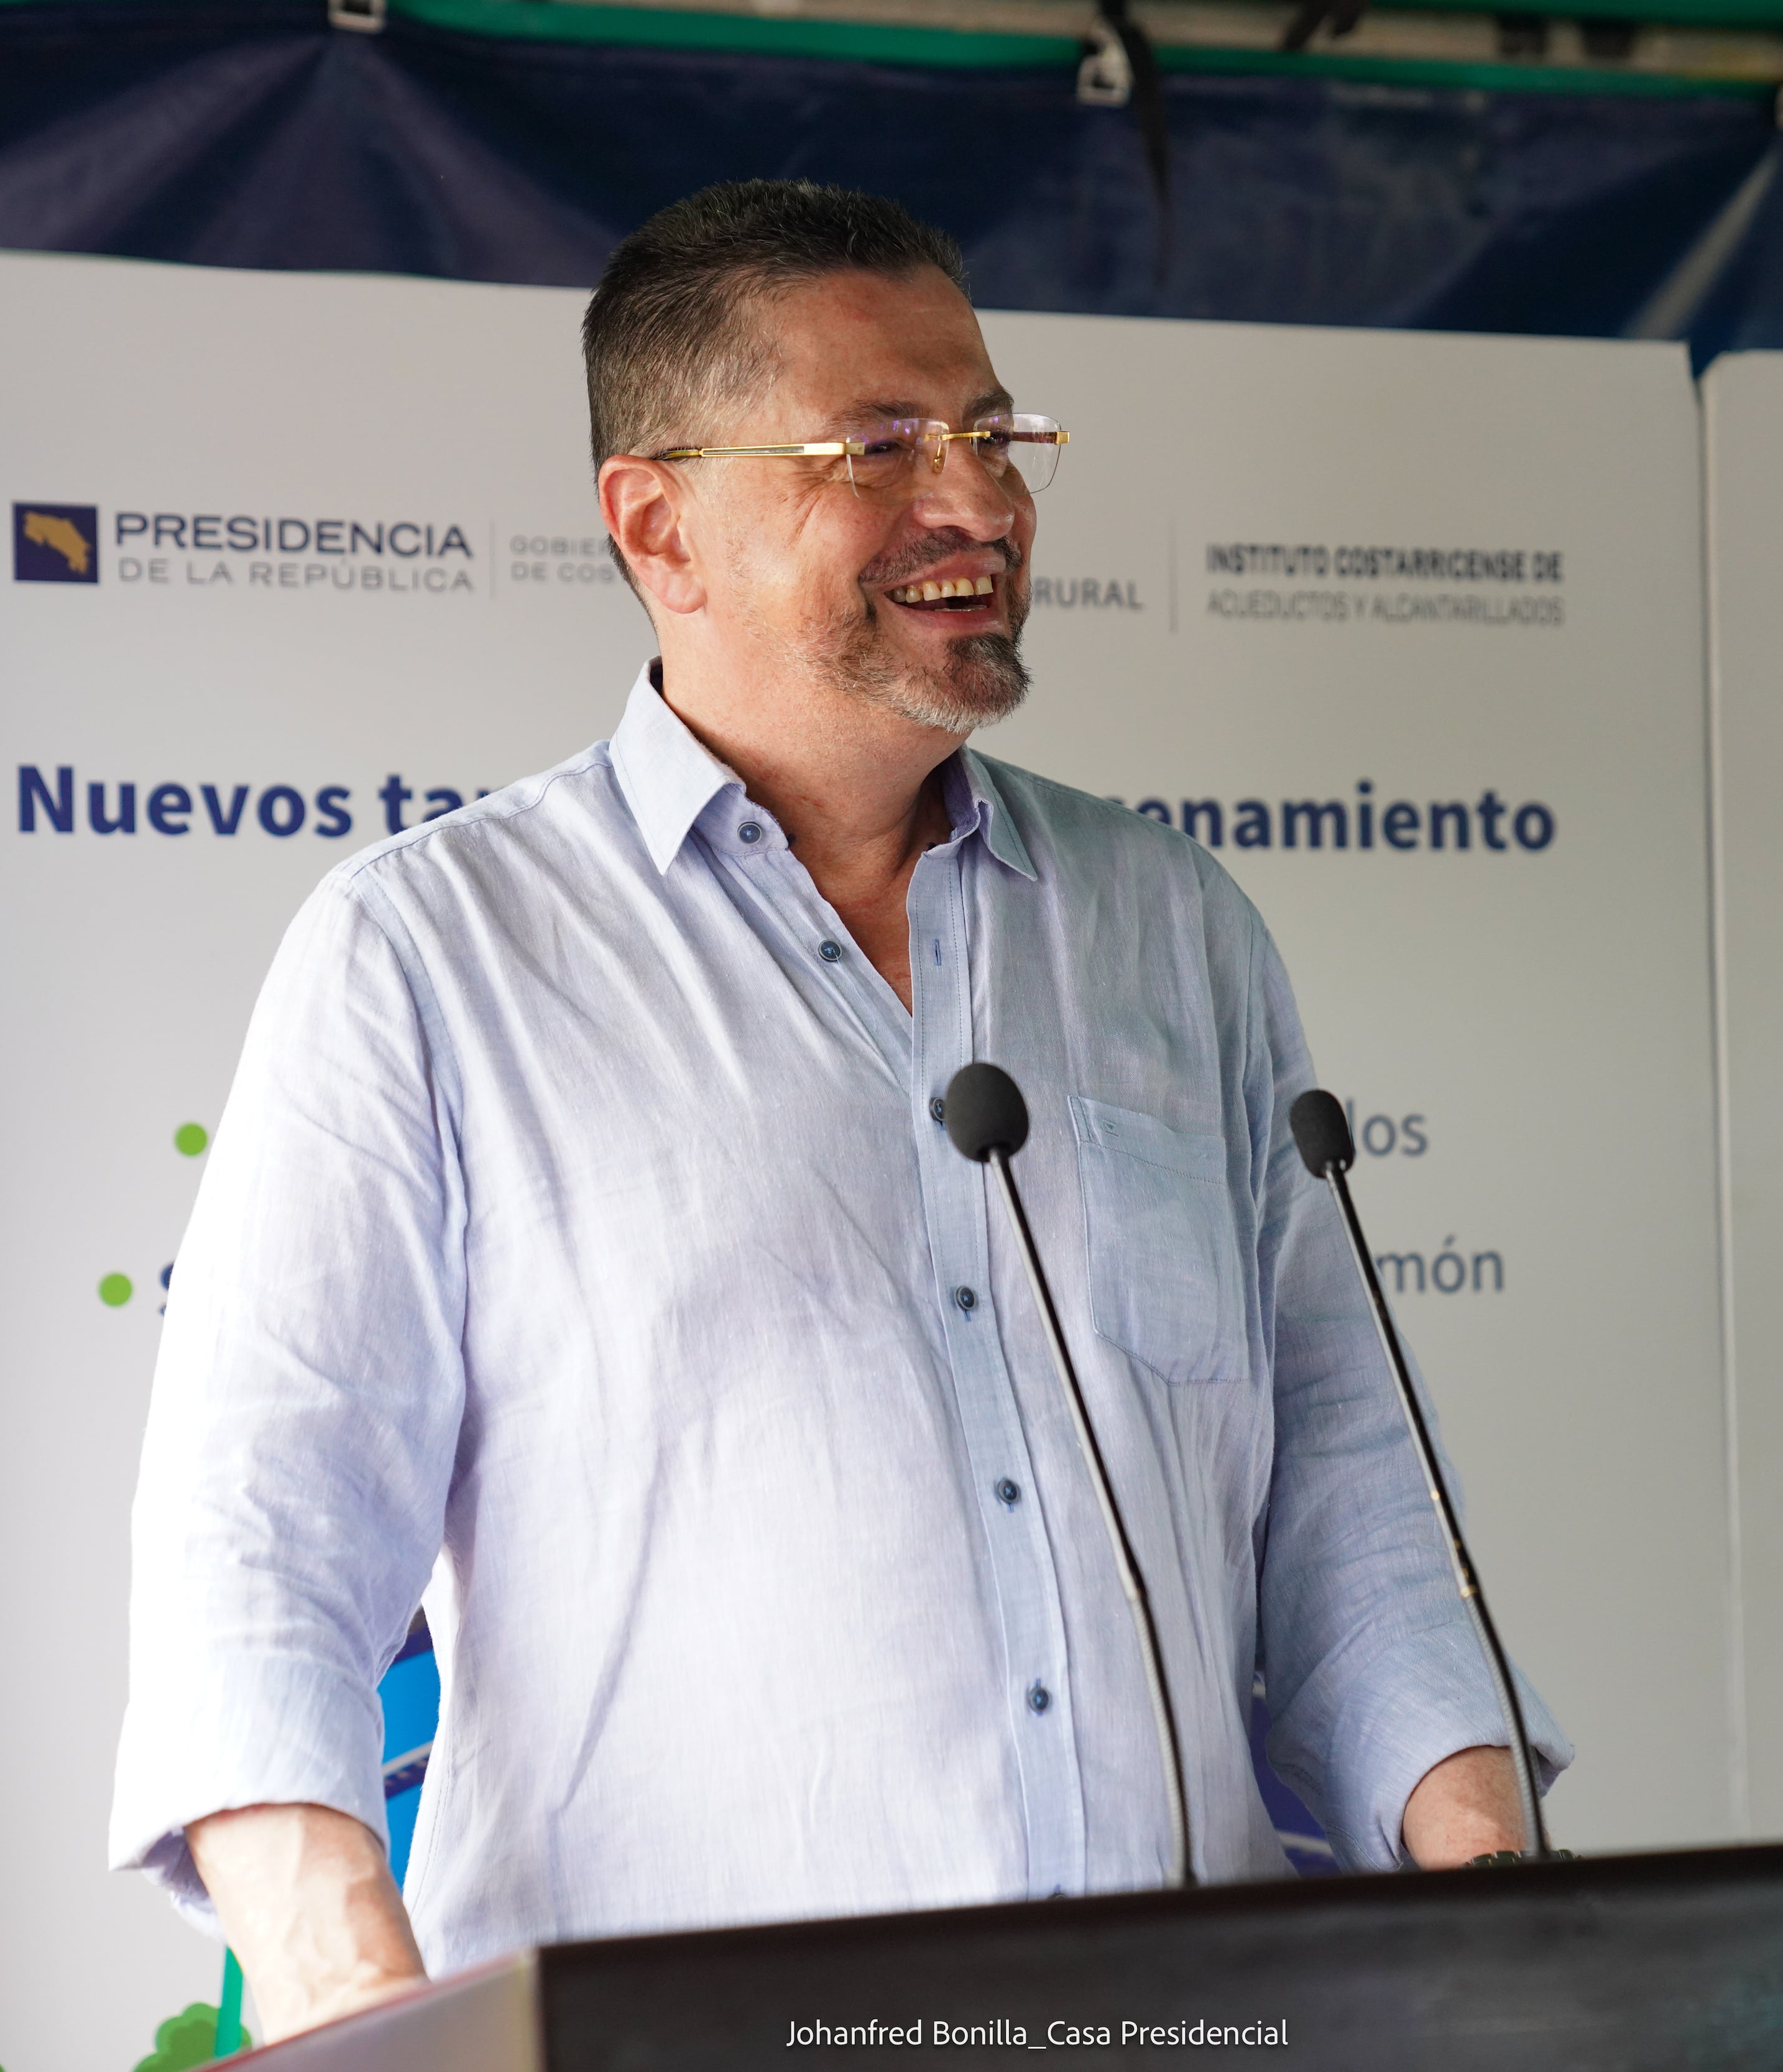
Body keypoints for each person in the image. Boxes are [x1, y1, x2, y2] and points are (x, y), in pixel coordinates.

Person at [107, 178, 1567, 2043]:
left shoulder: (1171, 928)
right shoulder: (432, 955)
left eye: (992, 433)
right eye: (879, 447)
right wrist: (365, 2019)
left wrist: (1518, 1925)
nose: (979, 503)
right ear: (662, 527)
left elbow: (1355, 1505)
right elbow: (262, 1554)